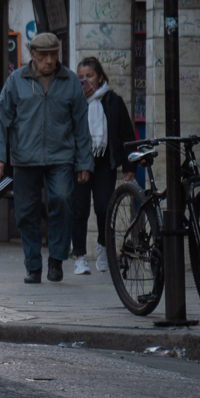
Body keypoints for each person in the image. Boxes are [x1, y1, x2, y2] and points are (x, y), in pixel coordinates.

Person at [0, 30, 93, 285]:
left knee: (62, 200)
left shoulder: (70, 81)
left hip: (61, 156)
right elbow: (0, 119)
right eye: (44, 55)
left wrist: (84, 162)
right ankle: (33, 265)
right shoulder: (16, 81)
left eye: (54, 55)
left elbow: (81, 125)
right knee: (26, 212)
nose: (50, 60)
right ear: (32, 55)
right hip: (25, 157)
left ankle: (56, 259)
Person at [69, 56, 135, 275]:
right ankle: (79, 256)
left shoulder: (113, 101)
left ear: (99, 77)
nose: (85, 81)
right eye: (80, 77)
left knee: (104, 207)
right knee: (79, 210)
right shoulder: (73, 102)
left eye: (89, 76)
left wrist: (128, 165)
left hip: (105, 163)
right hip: (79, 164)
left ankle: (104, 248)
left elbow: (125, 134)